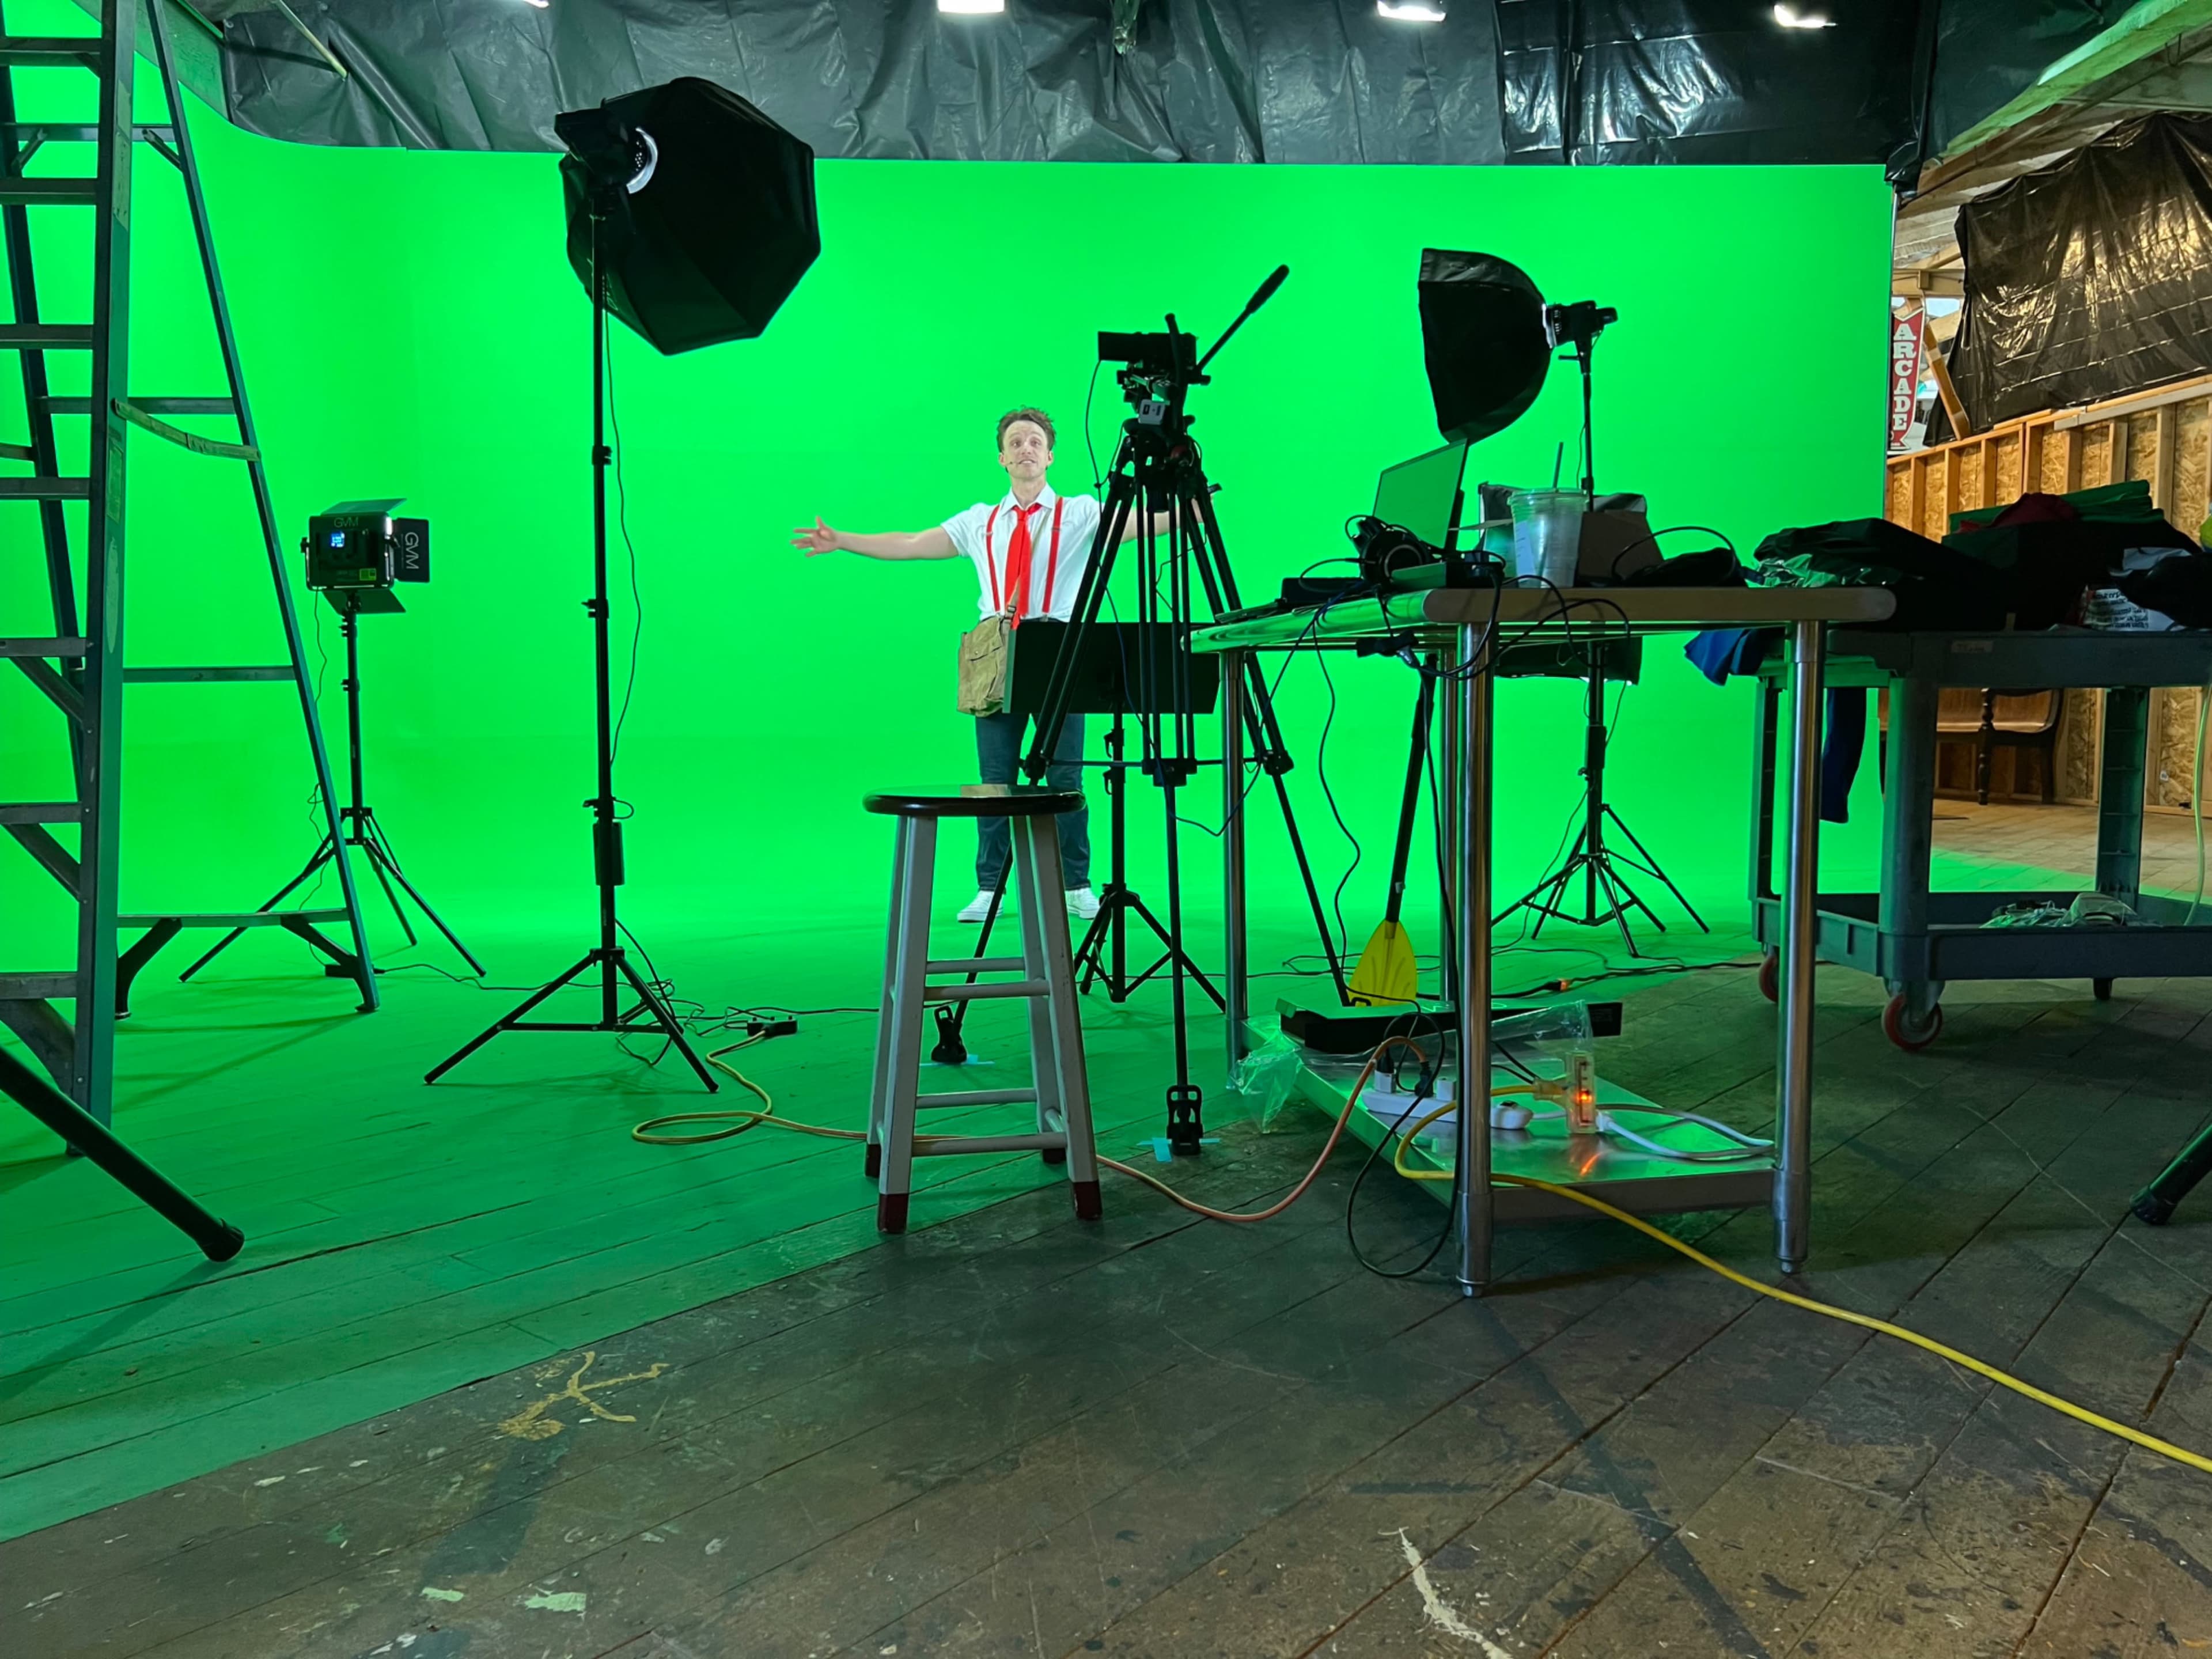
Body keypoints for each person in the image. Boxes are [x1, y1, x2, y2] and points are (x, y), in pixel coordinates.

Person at [796, 407, 1149, 924]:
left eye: (1035, 441)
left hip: (1060, 649)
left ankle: (1076, 882)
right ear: (1002, 457)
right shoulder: (979, 521)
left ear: (1050, 455)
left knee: (1065, 773)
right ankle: (991, 886)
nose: (1026, 448)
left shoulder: (1083, 513)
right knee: (995, 776)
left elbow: (1143, 525)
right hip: (997, 649)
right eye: (1016, 441)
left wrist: (1191, 507)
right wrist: (844, 540)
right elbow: (913, 543)